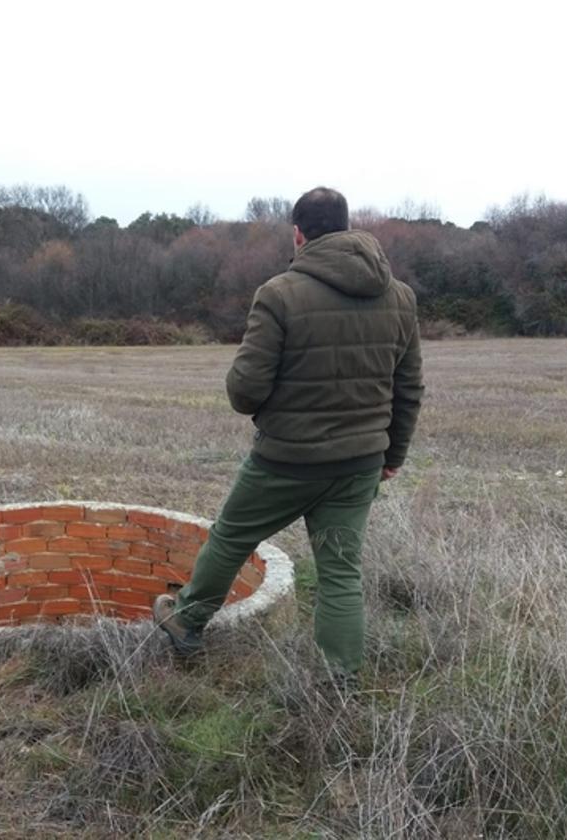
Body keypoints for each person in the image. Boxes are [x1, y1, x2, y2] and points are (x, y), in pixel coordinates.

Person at [153, 187, 424, 677]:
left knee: (231, 539)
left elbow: (245, 393)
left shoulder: (278, 294)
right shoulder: (400, 297)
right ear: (346, 227)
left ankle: (187, 623)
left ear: (298, 234)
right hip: (360, 462)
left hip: (286, 461)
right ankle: (338, 682)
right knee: (341, 572)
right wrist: (394, 454)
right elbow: (409, 387)